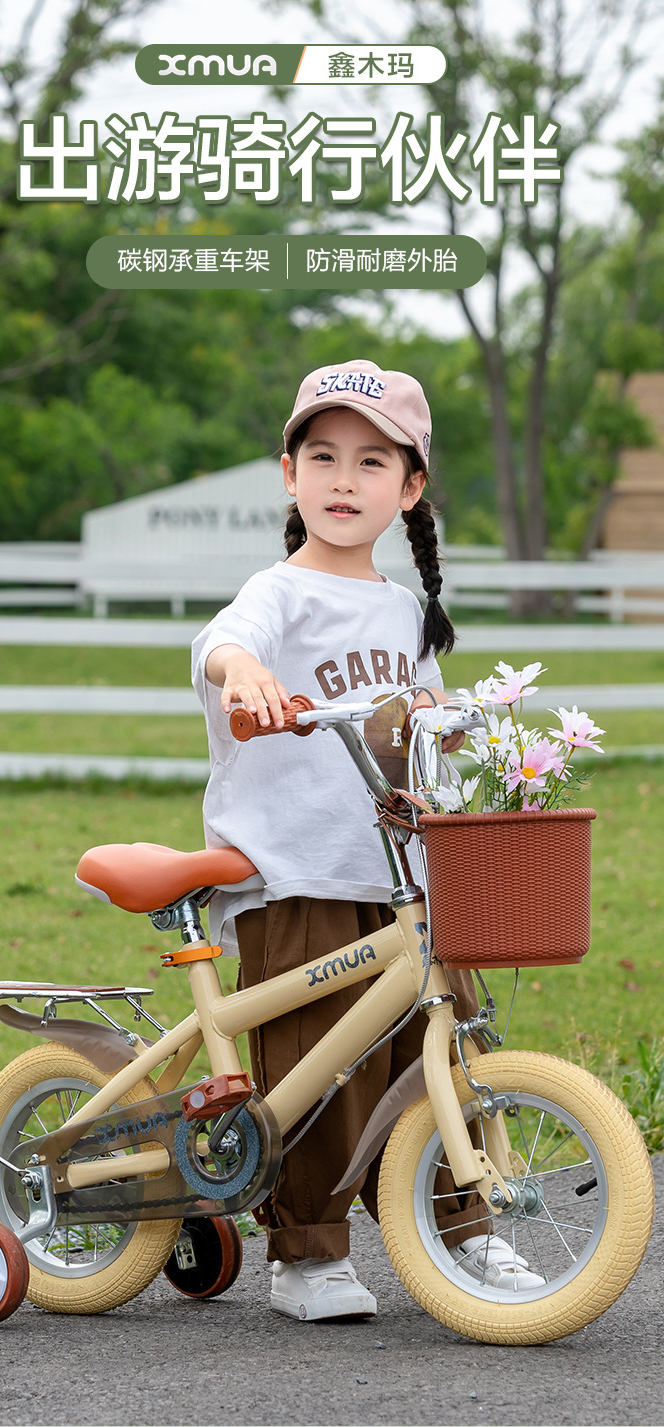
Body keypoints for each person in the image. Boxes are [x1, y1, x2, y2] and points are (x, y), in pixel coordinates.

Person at [191, 359, 541, 1321]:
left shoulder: (403, 611)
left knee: (450, 1046)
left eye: (372, 462)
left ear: (410, 487)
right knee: (319, 1068)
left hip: (407, 877)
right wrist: (245, 675)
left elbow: (421, 717)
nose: (345, 481)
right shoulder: (279, 592)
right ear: (290, 473)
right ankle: (305, 1252)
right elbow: (224, 640)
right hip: (302, 868)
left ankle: (467, 1225)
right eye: (324, 456)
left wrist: (462, 721)